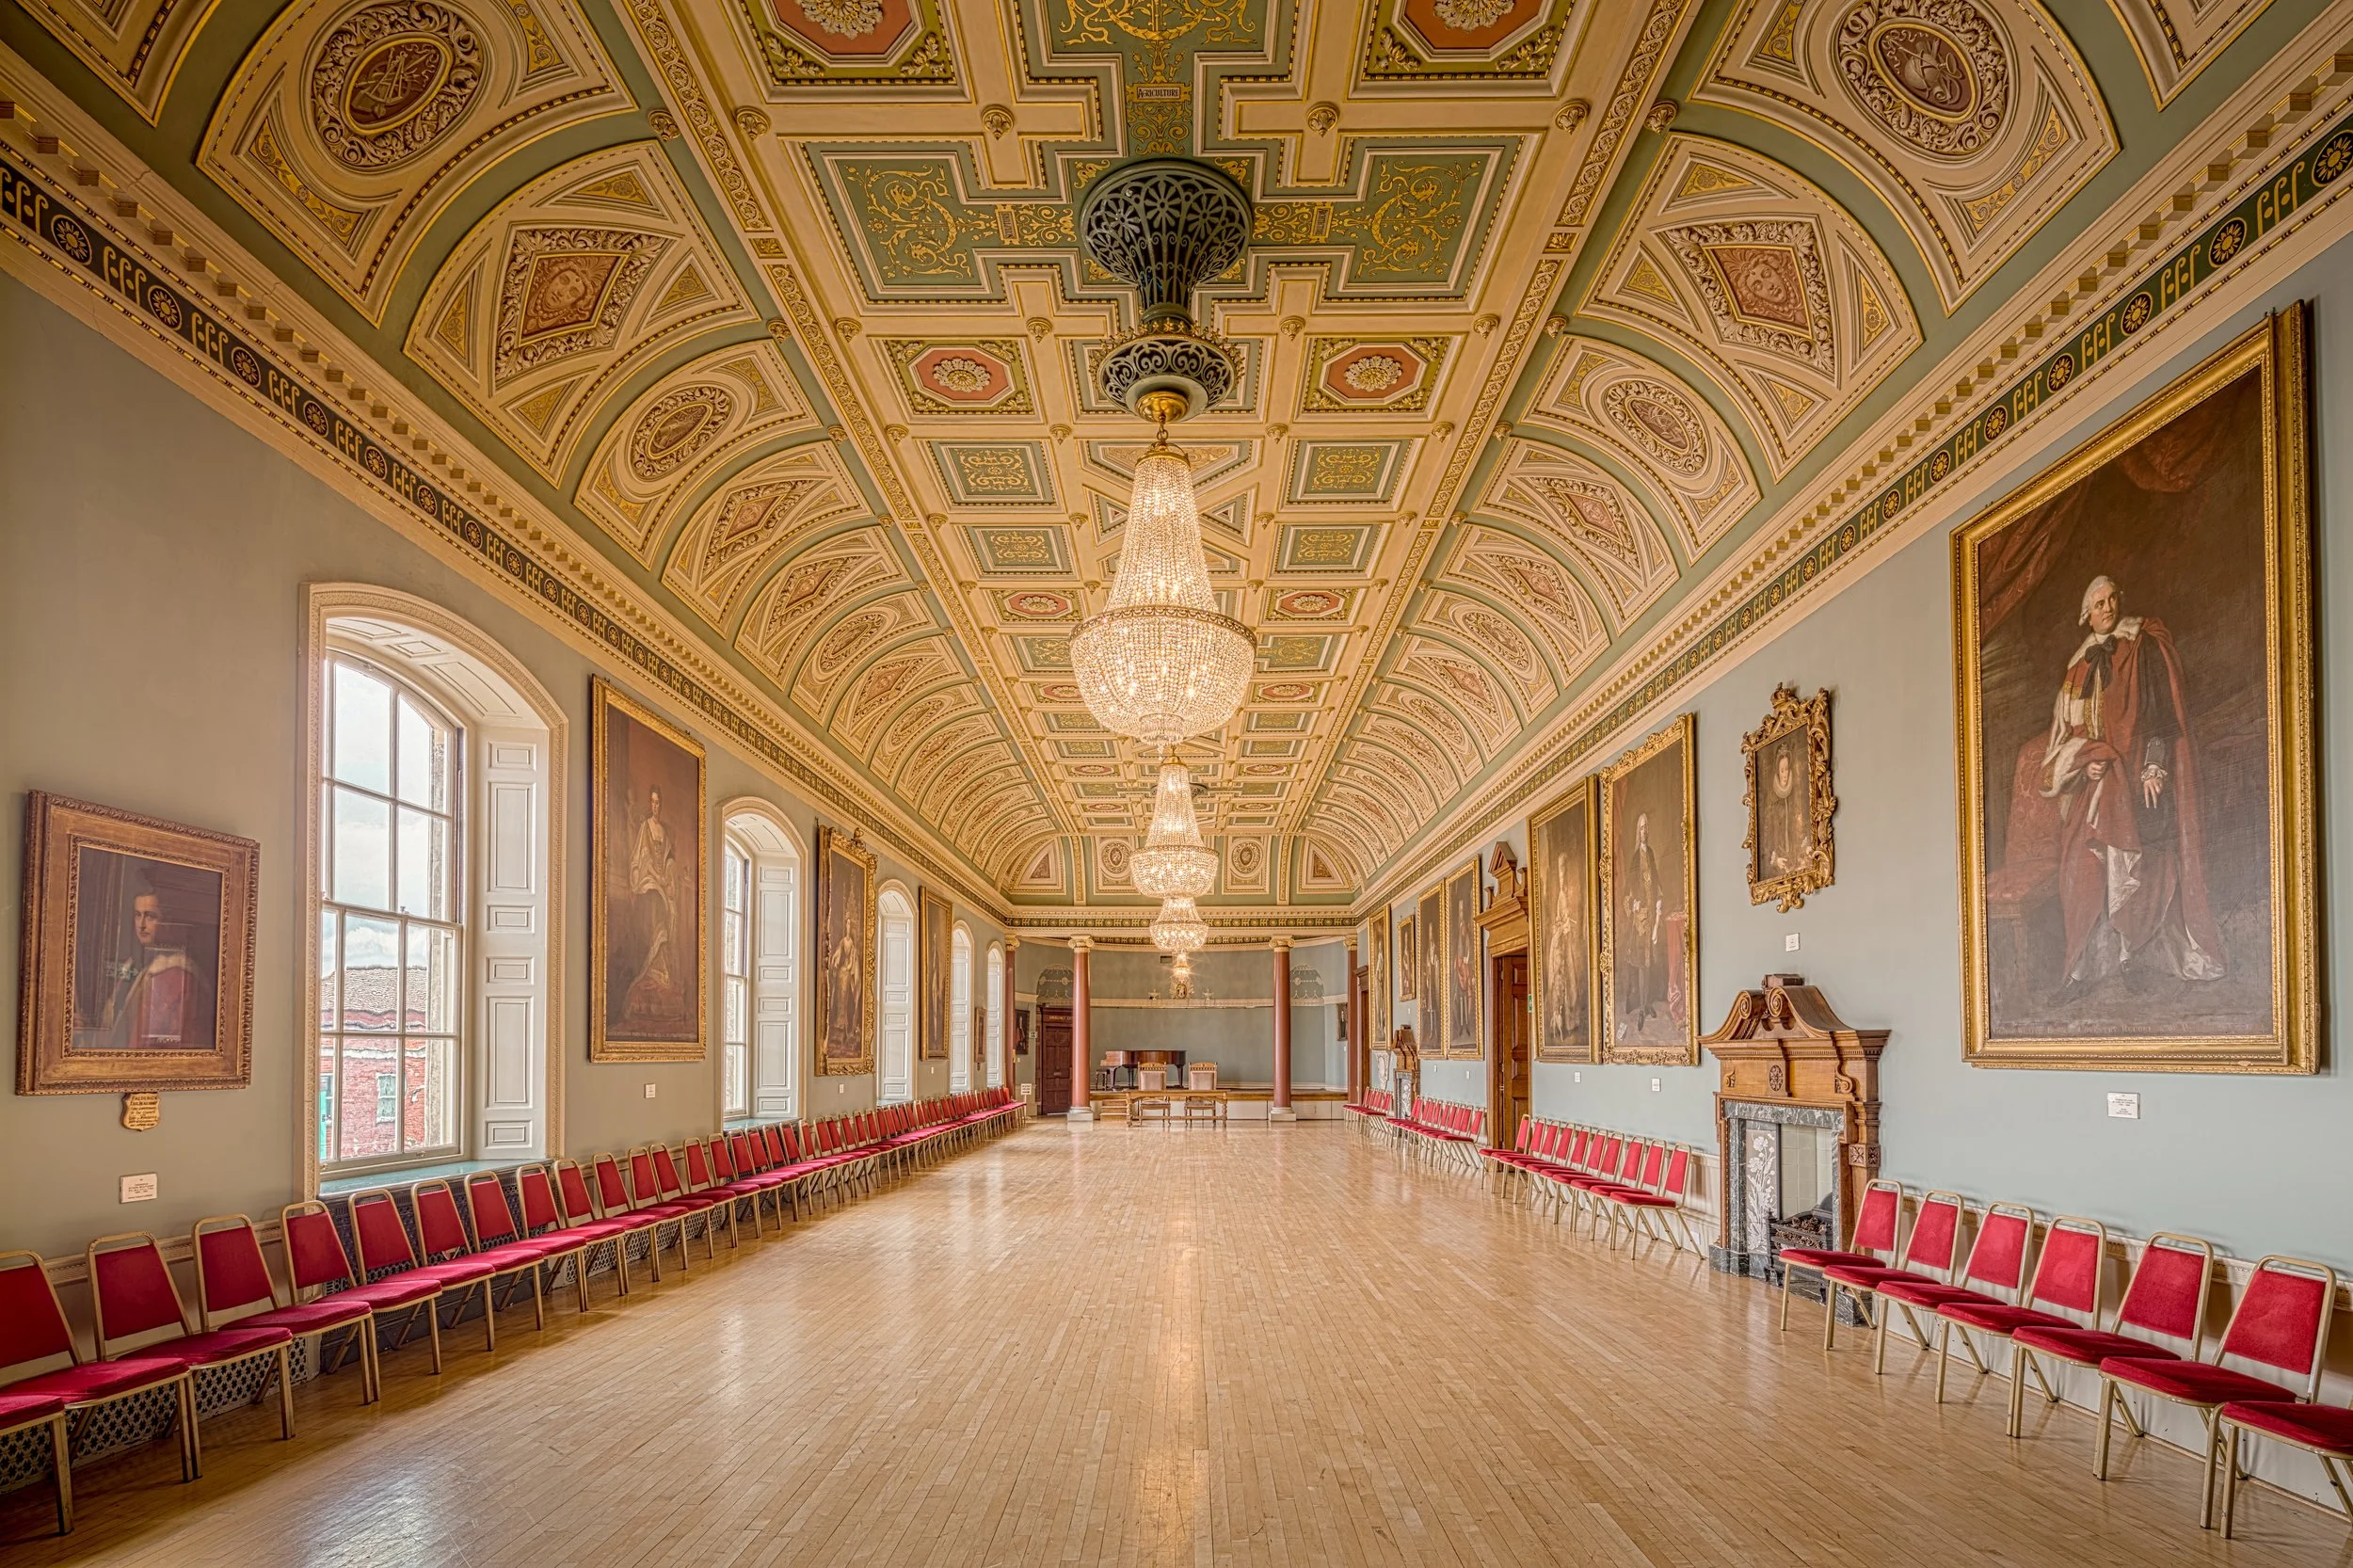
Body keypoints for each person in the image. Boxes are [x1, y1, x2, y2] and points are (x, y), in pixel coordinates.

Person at [2040, 575, 2222, 992]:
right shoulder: (2077, 665)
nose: (2108, 607)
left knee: (2142, 868)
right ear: (2087, 615)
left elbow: (2160, 713)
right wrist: (2083, 764)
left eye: (2112, 599)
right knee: (2086, 871)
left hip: (2139, 776)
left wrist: (2154, 767)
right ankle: (2088, 967)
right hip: (2093, 784)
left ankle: (2135, 957)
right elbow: (2067, 732)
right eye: (2098, 603)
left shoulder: (2142, 645)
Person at [98, 885, 215, 1050]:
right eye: (138, 915)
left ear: (167, 921)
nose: (142, 925)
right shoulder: (134, 966)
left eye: (151, 916)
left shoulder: (177, 974)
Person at [622, 785, 685, 1025]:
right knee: (657, 906)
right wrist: (654, 877)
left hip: (661, 880)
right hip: (649, 881)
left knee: (670, 911)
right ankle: (649, 970)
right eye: (652, 802)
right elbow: (641, 857)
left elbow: (668, 860)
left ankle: (660, 970)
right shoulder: (645, 827)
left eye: (658, 802)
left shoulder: (664, 832)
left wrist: (666, 876)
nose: (655, 806)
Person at [1618, 811, 1667, 1037]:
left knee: (1649, 963)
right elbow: (1628, 892)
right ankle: (1640, 1006)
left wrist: (1657, 903)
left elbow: (1655, 882)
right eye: (1642, 827)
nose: (1645, 830)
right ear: (1638, 831)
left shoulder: (1652, 854)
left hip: (1651, 918)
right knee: (1640, 963)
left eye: (1647, 826)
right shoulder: (1636, 857)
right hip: (1639, 921)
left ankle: (1647, 1003)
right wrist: (1634, 904)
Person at [1763, 744, 1812, 875]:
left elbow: (1802, 825)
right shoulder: (1771, 801)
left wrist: (1806, 847)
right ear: (1777, 773)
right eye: (1782, 770)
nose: (1785, 775)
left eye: (1786, 769)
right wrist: (1775, 860)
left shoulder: (1796, 795)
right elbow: (1766, 839)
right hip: (1780, 863)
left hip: (1797, 859)